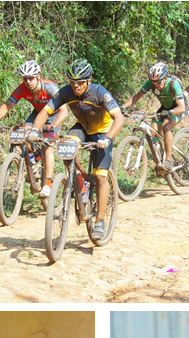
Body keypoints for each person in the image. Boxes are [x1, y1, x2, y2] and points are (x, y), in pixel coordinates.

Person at [30, 58, 125, 241]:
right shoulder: (65, 92)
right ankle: (82, 185)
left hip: (102, 132)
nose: (76, 86)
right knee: (66, 147)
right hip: (82, 127)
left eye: (80, 82)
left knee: (100, 176)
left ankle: (99, 221)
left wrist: (107, 138)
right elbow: (45, 112)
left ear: (88, 81)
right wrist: (35, 129)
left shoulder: (100, 93)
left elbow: (119, 118)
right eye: (72, 82)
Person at [0, 59, 69, 198]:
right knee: (23, 134)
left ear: (38, 76)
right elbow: (7, 106)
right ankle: (34, 160)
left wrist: (53, 126)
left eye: (31, 78)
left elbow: (64, 111)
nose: (28, 82)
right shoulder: (22, 88)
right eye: (25, 79)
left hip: (53, 117)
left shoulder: (50, 88)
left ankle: (47, 185)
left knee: (47, 146)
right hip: (36, 114)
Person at [121, 62, 188, 172]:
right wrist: (122, 107)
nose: (156, 85)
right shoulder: (151, 83)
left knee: (166, 126)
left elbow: (181, 107)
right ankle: (161, 157)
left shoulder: (173, 84)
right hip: (165, 108)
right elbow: (137, 96)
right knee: (152, 132)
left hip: (178, 107)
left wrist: (170, 112)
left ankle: (168, 160)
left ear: (165, 78)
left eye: (159, 83)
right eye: (154, 83)